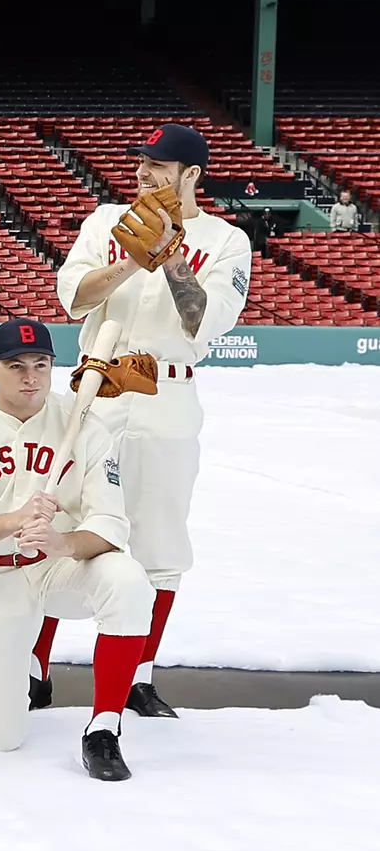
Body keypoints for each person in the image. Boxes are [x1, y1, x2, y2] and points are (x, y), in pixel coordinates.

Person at [51, 122, 251, 717]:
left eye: (161, 165)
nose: (145, 172)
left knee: (160, 545)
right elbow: (74, 297)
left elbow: (205, 323)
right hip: (99, 389)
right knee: (62, 519)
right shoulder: (106, 219)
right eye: (143, 161)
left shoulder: (224, 240)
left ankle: (138, 675)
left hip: (168, 395)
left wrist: (168, 259)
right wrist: (132, 260)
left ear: (191, 175)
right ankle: (33, 666)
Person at [0, 320, 155, 781]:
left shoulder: (84, 424)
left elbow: (111, 525)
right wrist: (13, 520)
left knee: (129, 584)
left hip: (59, 565)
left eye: (41, 365)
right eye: (16, 366)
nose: (31, 377)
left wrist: (62, 542)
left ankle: (104, 728)